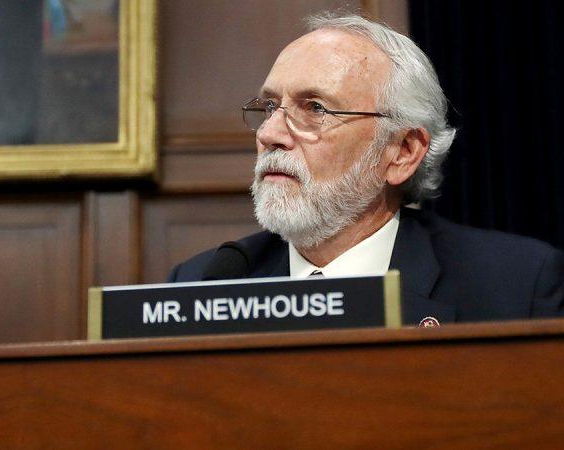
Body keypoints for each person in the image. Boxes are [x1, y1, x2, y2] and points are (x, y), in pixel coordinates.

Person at [167, 13, 564, 325]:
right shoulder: (201, 285)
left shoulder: (516, 287)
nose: (270, 134)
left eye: (315, 108)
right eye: (270, 106)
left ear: (403, 152)